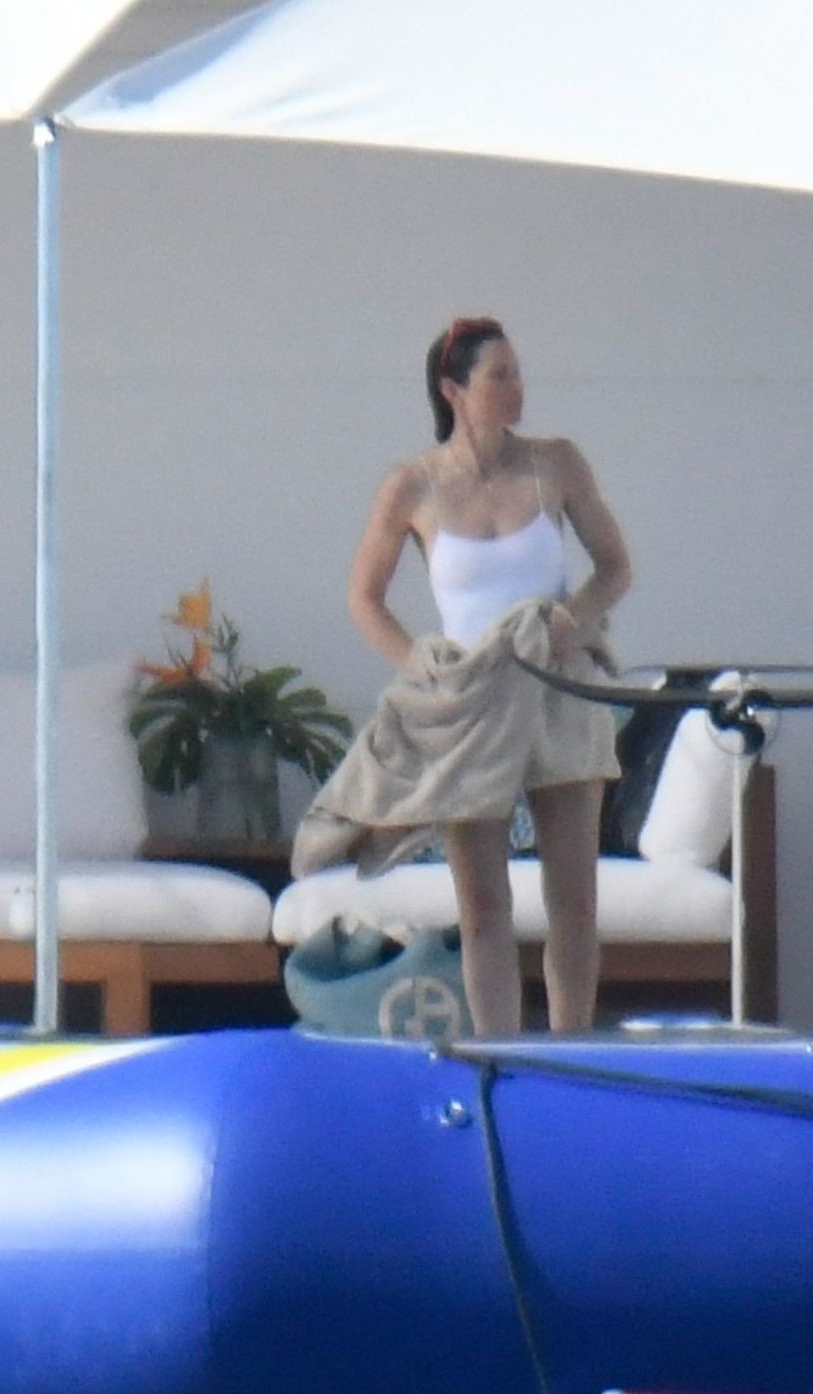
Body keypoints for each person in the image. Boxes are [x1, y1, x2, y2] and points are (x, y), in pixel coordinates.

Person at [346, 316, 632, 1035]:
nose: (515, 388)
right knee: (482, 905)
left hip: (558, 688)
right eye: (498, 376)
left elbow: (614, 567)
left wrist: (573, 622)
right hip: (474, 700)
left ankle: (570, 1049)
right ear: (454, 389)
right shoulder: (411, 485)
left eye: (517, 373)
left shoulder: (556, 463)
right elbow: (365, 598)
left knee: (574, 900)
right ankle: (498, 1054)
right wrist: (419, 662)